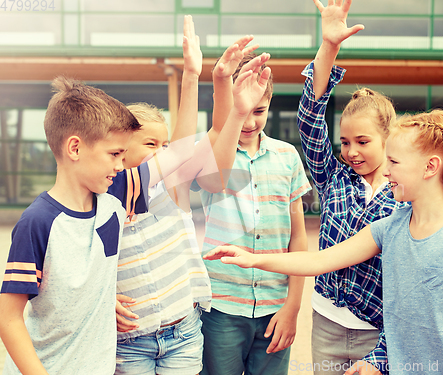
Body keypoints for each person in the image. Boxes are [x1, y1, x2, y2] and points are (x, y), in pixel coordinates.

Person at [204, 109, 443, 375]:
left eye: (393, 162)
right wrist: (253, 258)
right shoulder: (390, 229)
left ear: (430, 167)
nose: (387, 170)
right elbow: (320, 261)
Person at [0, 16, 200, 375]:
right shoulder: (37, 222)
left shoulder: (115, 196)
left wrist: (194, 76)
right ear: (75, 148)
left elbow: (181, 156)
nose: (121, 164)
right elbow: (9, 318)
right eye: (114, 154)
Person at [112, 28, 274, 375]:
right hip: (129, 341)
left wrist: (195, 76)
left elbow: (203, 136)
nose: (163, 153)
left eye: (164, 144)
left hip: (182, 332)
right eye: (150, 144)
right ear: (119, 149)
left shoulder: (173, 187)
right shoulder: (105, 199)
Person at [296, 0, 402, 373]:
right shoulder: (334, 179)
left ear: (387, 137)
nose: (351, 151)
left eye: (362, 141)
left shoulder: (406, 195)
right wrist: (329, 46)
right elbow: (310, 120)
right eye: (344, 142)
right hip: (325, 323)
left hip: (379, 332)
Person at [197, 47, 311, 375]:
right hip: (221, 308)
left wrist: (293, 307)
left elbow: (298, 237)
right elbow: (211, 179)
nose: (249, 121)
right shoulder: (209, 154)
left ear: (269, 104)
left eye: (258, 111)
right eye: (240, 110)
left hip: (275, 309)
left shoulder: (288, 156)